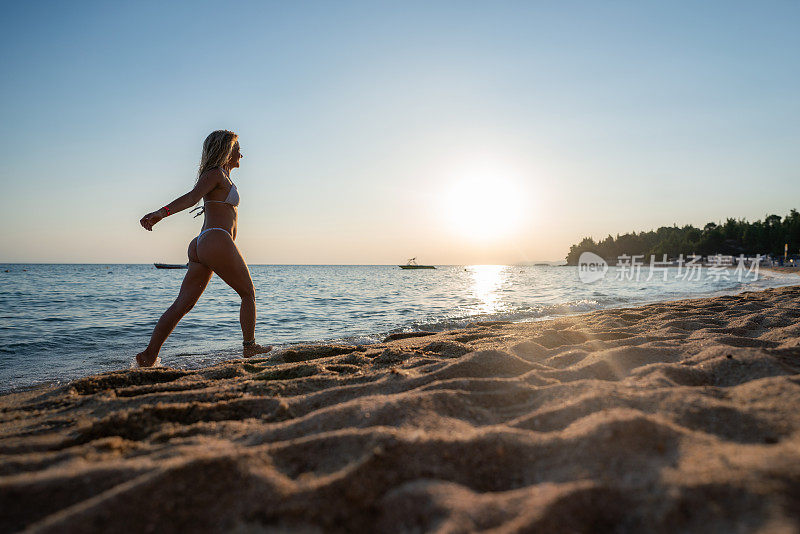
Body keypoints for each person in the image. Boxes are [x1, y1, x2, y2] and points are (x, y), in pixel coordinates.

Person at [135, 130, 272, 367]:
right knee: (248, 293)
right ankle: (250, 347)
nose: (242, 153)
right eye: (238, 148)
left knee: (183, 304)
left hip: (203, 244)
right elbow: (191, 198)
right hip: (215, 239)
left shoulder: (222, 176)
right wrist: (161, 213)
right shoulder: (215, 174)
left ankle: (149, 355)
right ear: (226, 150)